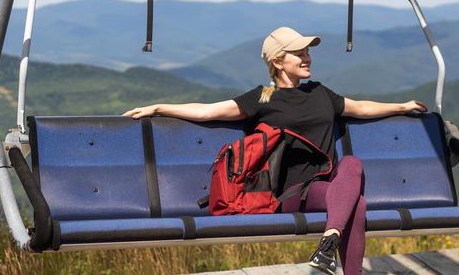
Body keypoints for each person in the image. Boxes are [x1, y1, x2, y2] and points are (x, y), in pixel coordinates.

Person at [123, 26, 428, 275]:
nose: (307, 58)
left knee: (351, 164)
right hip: (292, 193)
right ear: (279, 62)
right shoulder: (262, 99)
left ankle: (327, 242)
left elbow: (360, 107)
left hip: (329, 187)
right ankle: (336, 251)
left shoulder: (321, 93)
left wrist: (402, 106)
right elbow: (208, 111)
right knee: (356, 204)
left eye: (307, 52)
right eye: (300, 54)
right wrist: (158, 106)